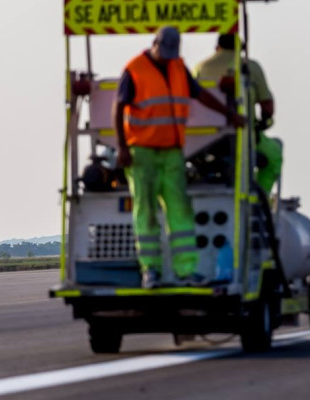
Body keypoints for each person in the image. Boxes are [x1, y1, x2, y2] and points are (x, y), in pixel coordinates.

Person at [113, 26, 246, 288]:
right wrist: (122, 147)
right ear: (154, 44)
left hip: (172, 151)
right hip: (142, 152)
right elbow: (118, 107)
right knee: (146, 210)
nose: (167, 59)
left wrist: (229, 114)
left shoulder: (178, 67)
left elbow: (199, 93)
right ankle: (150, 270)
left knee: (180, 210)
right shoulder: (135, 69)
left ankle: (186, 270)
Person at [194, 34, 282, 195]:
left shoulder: (200, 67)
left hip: (201, 142)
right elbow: (267, 107)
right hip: (242, 136)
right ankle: (260, 198)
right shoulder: (250, 67)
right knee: (274, 156)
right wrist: (264, 120)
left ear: (217, 48)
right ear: (240, 48)